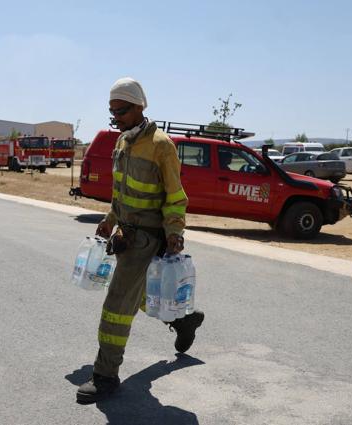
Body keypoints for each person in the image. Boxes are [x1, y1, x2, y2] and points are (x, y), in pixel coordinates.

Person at [76, 77, 205, 404]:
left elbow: (176, 196)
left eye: (120, 111)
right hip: (125, 236)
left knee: (117, 305)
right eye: (112, 111)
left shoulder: (161, 146)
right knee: (142, 295)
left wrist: (175, 232)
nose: (115, 117)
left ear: (139, 107)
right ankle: (185, 319)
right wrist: (109, 220)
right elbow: (121, 194)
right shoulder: (123, 143)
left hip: (148, 238)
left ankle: (105, 375)